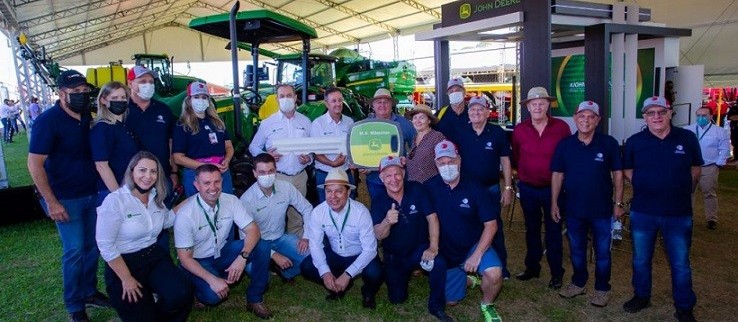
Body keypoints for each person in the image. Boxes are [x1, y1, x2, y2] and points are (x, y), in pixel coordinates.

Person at [27, 70, 109, 322]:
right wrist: (51, 201)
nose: (82, 96)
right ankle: (75, 305)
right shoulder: (48, 121)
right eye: (76, 93)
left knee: (91, 246)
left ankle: (88, 291)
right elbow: (34, 164)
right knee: (73, 250)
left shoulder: (86, 116)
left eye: (85, 92)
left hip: (90, 193)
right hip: (65, 198)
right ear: (61, 94)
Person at [622, 96, 702, 322]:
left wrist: (682, 188)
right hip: (643, 211)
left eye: (661, 112)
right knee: (640, 259)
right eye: (650, 113)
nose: (656, 117)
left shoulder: (687, 138)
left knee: (680, 262)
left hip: (678, 212)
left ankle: (685, 306)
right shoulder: (635, 141)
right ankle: (641, 296)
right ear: (644, 117)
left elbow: (695, 169)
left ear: (670, 113)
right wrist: (646, 185)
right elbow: (628, 170)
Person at [96, 151, 193, 321]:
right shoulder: (115, 201)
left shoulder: (156, 198)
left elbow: (166, 221)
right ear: (132, 171)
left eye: (153, 171)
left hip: (153, 256)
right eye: (142, 170)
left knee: (182, 294)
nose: (148, 176)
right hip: (124, 263)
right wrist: (126, 279)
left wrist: (193, 199)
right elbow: (105, 245)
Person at [174, 164, 273, 319]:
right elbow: (185, 259)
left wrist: (242, 257)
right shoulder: (186, 214)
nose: (213, 187)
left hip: (223, 252)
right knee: (213, 296)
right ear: (196, 185)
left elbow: (253, 230)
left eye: (217, 182)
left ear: (222, 181)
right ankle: (196, 290)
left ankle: (255, 298)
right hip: (198, 261)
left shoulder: (231, 200)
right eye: (206, 183)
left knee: (263, 245)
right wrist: (212, 280)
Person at [550, 101, 624, 307]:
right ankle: (578, 282)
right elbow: (557, 174)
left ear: (598, 120)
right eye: (582, 116)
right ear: (575, 118)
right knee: (576, 249)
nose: (586, 120)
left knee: (602, 252)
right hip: (573, 209)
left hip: (601, 210)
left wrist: (618, 203)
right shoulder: (565, 145)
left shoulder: (609, 143)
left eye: (591, 116)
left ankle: (602, 288)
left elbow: (618, 175)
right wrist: (554, 202)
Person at [425, 140, 505, 322]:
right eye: (442, 163)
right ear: (436, 164)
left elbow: (491, 225)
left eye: (451, 161)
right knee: (451, 301)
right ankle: (470, 280)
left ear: (459, 160)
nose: (447, 166)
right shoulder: (429, 187)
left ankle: (487, 304)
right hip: (446, 251)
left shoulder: (475, 187)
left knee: (494, 274)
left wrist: (477, 254)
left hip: (472, 245)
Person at [371, 156, 452, 322]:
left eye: (397, 174)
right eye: (388, 175)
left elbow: (432, 218)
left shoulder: (417, 189)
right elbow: (378, 235)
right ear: (381, 179)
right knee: (397, 299)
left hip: (418, 250)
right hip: (394, 255)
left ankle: (436, 306)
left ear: (404, 173)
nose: (393, 179)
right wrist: (387, 221)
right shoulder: (378, 200)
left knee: (439, 262)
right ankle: (407, 273)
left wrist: (433, 246)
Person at [511, 87, 570, 289]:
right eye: (533, 104)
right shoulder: (520, 130)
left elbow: (566, 158)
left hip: (553, 190)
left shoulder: (561, 128)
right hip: (528, 189)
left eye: (541, 103)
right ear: (527, 106)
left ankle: (556, 273)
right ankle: (532, 268)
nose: (537, 106)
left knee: (553, 231)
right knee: (532, 230)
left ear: (548, 105)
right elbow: (518, 156)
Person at [300, 167, 383, 309]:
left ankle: (368, 292)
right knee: (307, 267)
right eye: (329, 191)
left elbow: (370, 250)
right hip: (336, 254)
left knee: (376, 273)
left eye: (339, 191)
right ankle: (335, 286)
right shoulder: (318, 212)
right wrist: (325, 272)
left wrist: (348, 274)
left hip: (359, 254)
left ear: (348, 192)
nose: (333, 196)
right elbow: (315, 245)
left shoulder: (360, 212)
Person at [456, 96, 513, 280]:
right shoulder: (461, 132)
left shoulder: (497, 133)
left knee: (494, 227)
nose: (476, 113)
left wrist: (508, 187)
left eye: (480, 109)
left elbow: (505, 160)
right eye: (472, 110)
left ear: (488, 113)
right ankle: (469, 265)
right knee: (468, 226)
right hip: (467, 190)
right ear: (468, 113)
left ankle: (501, 267)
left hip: (490, 189)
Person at [125, 65, 178, 250]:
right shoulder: (122, 110)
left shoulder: (163, 109)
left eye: (151, 81)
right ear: (130, 83)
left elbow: (171, 143)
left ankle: (160, 259)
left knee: (160, 221)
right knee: (132, 223)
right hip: (131, 179)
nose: (148, 85)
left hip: (161, 176)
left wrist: (173, 170)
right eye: (142, 81)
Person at [249, 84, 312, 237]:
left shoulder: (305, 122)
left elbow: (312, 147)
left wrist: (308, 158)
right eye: (282, 96)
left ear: (296, 98)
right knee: (275, 214)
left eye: (289, 95)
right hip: (278, 177)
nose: (286, 99)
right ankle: (273, 248)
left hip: (299, 176)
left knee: (296, 216)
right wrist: (266, 156)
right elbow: (253, 147)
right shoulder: (267, 123)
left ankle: (295, 247)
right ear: (277, 99)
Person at [240, 153, 314, 282]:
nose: (267, 176)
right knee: (256, 272)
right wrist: (274, 255)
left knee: (311, 256)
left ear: (276, 170)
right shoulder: (246, 200)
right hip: (257, 243)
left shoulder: (286, 187)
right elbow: (243, 237)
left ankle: (285, 273)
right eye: (262, 172)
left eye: (270, 171)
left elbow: (307, 209)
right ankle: (268, 267)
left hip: (280, 238)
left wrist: (306, 236)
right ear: (254, 173)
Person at [173, 81, 234, 197]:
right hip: (196, 173)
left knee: (226, 206)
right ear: (189, 100)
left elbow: (229, 146)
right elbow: (178, 158)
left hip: (221, 171)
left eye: (204, 97)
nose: (201, 100)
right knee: (198, 210)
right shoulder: (182, 125)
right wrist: (205, 166)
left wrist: (227, 160)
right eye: (196, 97)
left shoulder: (218, 122)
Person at [90, 81, 139, 206]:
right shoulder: (102, 128)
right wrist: (118, 195)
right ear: (103, 100)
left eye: (123, 97)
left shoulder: (122, 127)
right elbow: (101, 165)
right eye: (114, 98)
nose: (120, 101)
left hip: (126, 188)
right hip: (111, 192)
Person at [363, 88, 416, 200]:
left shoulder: (404, 123)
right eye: (378, 102)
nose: (382, 105)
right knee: (379, 210)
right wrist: (363, 165)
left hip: (397, 179)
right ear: (373, 105)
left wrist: (407, 159)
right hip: (375, 179)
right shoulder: (365, 125)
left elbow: (416, 146)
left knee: (401, 209)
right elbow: (361, 148)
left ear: (391, 104)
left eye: (386, 102)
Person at [684, 107, 730, 230]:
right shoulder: (688, 130)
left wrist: (718, 164)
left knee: (709, 193)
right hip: (690, 168)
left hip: (709, 167)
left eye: (704, 115)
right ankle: (687, 216)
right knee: (688, 193)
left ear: (711, 116)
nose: (701, 118)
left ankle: (711, 219)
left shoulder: (719, 131)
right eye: (698, 115)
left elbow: (724, 149)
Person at [310, 87, 355, 202]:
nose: (338, 104)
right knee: (326, 208)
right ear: (326, 103)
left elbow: (353, 147)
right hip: (325, 174)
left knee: (349, 205)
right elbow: (315, 153)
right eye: (333, 101)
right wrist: (332, 163)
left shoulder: (349, 122)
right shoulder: (318, 124)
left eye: (340, 100)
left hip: (345, 173)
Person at [404, 103, 445, 183]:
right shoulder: (415, 137)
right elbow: (418, 161)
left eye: (422, 117)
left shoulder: (437, 137)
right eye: (415, 118)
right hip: (415, 187)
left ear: (429, 120)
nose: (417, 121)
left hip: (431, 187)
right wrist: (406, 160)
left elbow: (444, 163)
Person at [435, 78, 469, 143]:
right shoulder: (440, 114)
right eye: (451, 91)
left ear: (464, 92)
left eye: (458, 90)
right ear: (448, 94)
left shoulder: (473, 114)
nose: (455, 93)